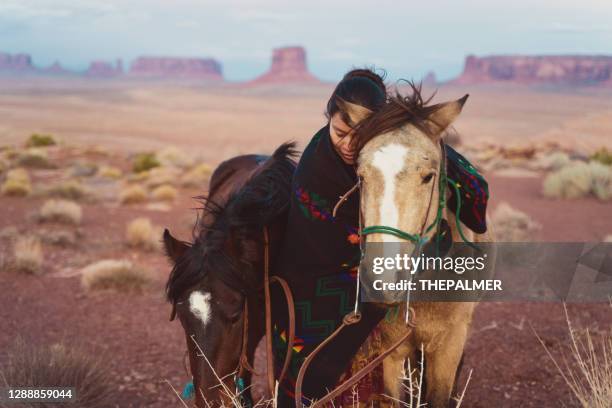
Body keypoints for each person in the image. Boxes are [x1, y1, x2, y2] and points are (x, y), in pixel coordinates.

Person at [272, 68, 390, 407]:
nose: (350, 144)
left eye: (361, 136)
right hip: (307, 280)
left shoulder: (383, 155)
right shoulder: (315, 166)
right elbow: (325, 239)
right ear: (328, 118)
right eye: (340, 131)